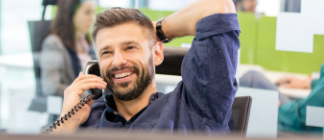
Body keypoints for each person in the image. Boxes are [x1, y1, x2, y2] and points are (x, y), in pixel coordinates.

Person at [50, 0, 240, 134]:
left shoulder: (196, 108)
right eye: (106, 52)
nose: (117, 61)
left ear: (157, 54)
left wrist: (158, 30)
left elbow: (218, 8)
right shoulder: (84, 117)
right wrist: (67, 122)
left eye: (130, 47)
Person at [240, 64, 324, 133]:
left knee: (250, 80)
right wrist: (309, 82)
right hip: (300, 116)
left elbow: (305, 115)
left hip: (301, 129)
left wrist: (273, 108)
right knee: (252, 77)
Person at [40, 0, 97, 97]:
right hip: (78, 106)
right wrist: (89, 97)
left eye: (93, 12)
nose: (92, 18)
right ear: (70, 14)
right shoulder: (53, 44)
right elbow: (52, 87)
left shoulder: (88, 42)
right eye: (87, 12)